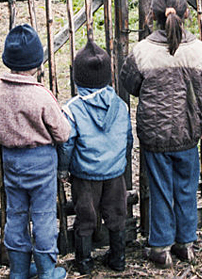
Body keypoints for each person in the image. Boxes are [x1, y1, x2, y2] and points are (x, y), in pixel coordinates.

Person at [120, 0, 202, 268]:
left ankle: (161, 247)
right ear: (187, 13)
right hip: (189, 132)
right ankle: (186, 243)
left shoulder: (141, 51)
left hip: (155, 134)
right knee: (186, 188)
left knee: (161, 188)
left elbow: (131, 85)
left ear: (151, 16)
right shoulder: (200, 51)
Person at [0, 24, 70, 279]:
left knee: (16, 214)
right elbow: (63, 133)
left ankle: (18, 270)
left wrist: (8, 134)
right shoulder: (41, 96)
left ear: (7, 60)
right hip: (41, 162)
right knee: (43, 216)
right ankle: (46, 271)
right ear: (37, 62)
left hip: (11, 161)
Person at [58, 40, 132, 274]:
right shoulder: (120, 105)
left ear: (77, 77)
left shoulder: (72, 109)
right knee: (117, 214)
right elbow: (128, 138)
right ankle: (118, 259)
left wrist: (63, 169)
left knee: (86, 217)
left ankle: (84, 263)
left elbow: (67, 144)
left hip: (85, 175)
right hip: (114, 172)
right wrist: (122, 161)